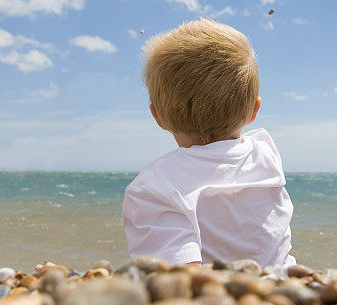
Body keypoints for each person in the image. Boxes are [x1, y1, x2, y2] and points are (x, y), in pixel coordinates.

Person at [122, 18, 296, 268]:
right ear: (254, 110)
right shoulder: (265, 153)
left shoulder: (153, 186)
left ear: (157, 116)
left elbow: (178, 274)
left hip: (222, 299)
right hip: (286, 281)